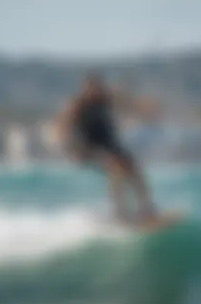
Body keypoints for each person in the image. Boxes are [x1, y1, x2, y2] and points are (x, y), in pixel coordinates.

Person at [55, 75, 158, 224]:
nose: (95, 92)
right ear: (84, 90)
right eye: (90, 89)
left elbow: (127, 103)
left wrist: (141, 105)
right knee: (115, 169)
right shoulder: (77, 105)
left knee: (135, 169)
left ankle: (147, 208)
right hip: (89, 147)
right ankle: (119, 213)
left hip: (110, 145)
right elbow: (63, 124)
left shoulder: (106, 99)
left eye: (97, 89)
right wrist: (68, 147)